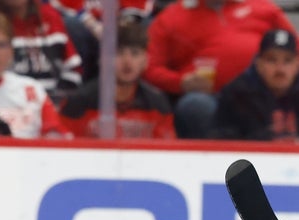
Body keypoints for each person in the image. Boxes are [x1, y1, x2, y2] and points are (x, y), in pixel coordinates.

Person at [143, 0, 296, 139]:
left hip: (264, 96)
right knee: (195, 105)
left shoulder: (262, 7)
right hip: (212, 99)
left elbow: (294, 48)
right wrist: (180, 82)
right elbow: (147, 65)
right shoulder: (171, 17)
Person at [59, 19, 175, 139]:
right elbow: (65, 145)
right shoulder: (78, 102)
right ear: (102, 59)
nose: (127, 61)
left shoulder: (157, 104)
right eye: (119, 53)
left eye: (135, 54)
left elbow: (167, 148)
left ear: (145, 61)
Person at [0, 0, 82, 104]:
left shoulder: (50, 16)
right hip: (3, 105)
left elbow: (73, 71)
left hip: (53, 102)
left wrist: (55, 103)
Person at [212, 29, 299, 141]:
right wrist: (265, 138)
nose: (280, 69)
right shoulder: (237, 94)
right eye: (271, 60)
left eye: (287, 61)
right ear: (259, 64)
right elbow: (222, 141)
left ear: (297, 64)